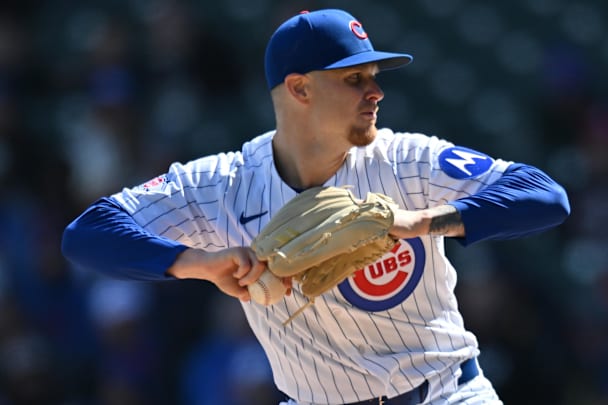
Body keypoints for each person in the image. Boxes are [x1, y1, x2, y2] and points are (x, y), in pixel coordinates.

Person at [62, 8, 570, 405]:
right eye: (354, 79)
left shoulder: (402, 160)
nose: (376, 92)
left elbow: (545, 194)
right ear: (299, 88)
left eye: (374, 75)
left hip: (447, 390)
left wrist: (420, 222)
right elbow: (87, 234)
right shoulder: (225, 184)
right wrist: (199, 264)